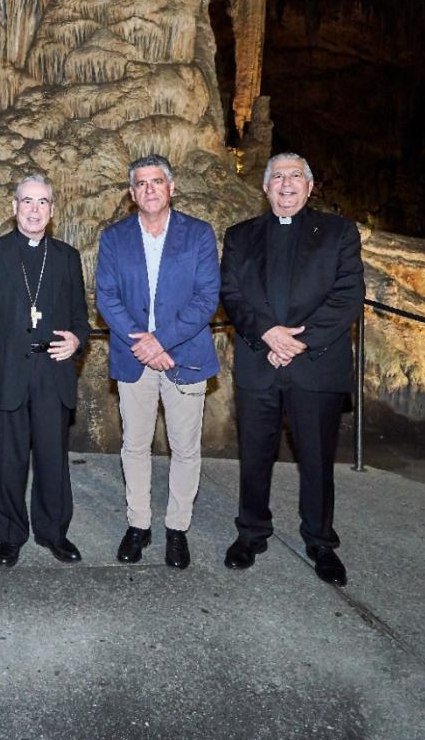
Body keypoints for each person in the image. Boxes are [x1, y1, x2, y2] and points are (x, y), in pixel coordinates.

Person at [219, 152, 364, 586]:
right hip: (258, 360)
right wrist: (267, 333)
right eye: (277, 177)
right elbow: (231, 293)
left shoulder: (339, 232)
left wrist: (297, 342)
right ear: (265, 188)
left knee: (317, 459)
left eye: (295, 176)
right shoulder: (240, 235)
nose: (286, 184)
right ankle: (251, 532)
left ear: (309, 185)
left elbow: (348, 295)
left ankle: (320, 541)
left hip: (315, 364)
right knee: (254, 454)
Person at [95, 154, 221, 569]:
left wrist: (161, 341)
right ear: (132, 193)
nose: (150, 189)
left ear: (172, 188)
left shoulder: (198, 234)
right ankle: (138, 523)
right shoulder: (114, 238)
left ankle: (177, 528)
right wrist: (144, 344)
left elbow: (207, 297)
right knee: (135, 445)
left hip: (185, 356)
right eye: (141, 183)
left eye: (157, 181)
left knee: (184, 448)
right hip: (134, 358)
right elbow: (107, 297)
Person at [0, 175, 90, 567]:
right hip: (6, 373)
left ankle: (54, 532)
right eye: (27, 202)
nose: (34, 210)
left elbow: (80, 317)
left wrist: (76, 341)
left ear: (52, 210)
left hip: (53, 371)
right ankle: (9, 535)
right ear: (13, 207)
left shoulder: (67, 256)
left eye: (42, 202)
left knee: (53, 459)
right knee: (7, 459)